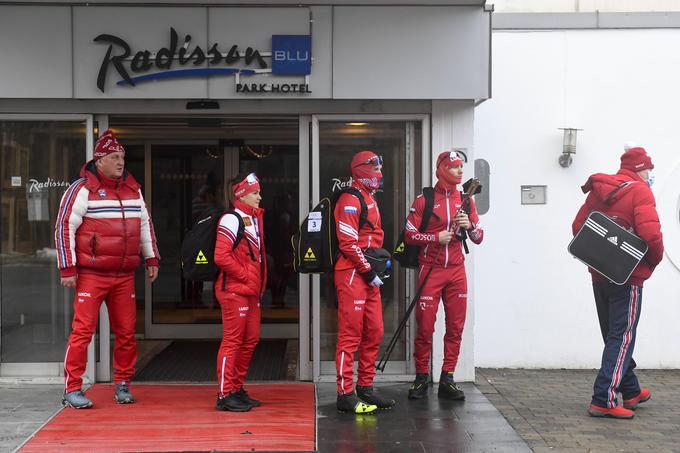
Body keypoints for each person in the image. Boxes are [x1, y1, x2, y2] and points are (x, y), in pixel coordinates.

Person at [56, 129, 160, 409]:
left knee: (126, 332)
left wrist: (152, 259)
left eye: (122, 157)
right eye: (114, 157)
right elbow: (64, 226)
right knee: (83, 331)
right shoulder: (81, 189)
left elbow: (144, 225)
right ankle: (72, 388)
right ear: (99, 160)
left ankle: (123, 383)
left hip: (124, 275)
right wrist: (67, 268)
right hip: (91, 274)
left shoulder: (133, 189)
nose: (120, 162)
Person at [572, 143, 663, 419]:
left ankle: (631, 390)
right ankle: (604, 398)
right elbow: (652, 235)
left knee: (613, 334)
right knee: (622, 337)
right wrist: (653, 261)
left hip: (600, 274)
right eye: (649, 169)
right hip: (628, 276)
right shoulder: (640, 191)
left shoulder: (601, 191)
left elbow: (578, 227)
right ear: (640, 169)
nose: (651, 174)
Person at [403, 150, 484, 400]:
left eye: (461, 167)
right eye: (455, 167)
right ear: (442, 170)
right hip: (431, 269)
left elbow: (479, 237)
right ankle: (420, 379)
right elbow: (408, 234)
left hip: (457, 271)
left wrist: (469, 226)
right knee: (425, 327)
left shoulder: (467, 200)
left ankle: (447, 378)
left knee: (456, 328)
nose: (460, 171)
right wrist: (435, 237)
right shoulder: (424, 199)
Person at [334, 150, 395, 414]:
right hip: (351, 272)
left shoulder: (370, 197)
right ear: (360, 170)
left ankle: (365, 388)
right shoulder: (350, 198)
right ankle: (345, 394)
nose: (380, 174)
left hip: (368, 273)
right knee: (350, 335)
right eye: (375, 169)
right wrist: (368, 270)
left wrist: (374, 269)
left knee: (375, 331)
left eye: (380, 169)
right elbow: (347, 242)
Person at [214, 172, 267, 412]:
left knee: (251, 339)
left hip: (250, 292)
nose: (259, 197)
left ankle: (236, 388)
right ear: (242, 195)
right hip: (235, 290)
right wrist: (246, 277)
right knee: (233, 341)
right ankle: (224, 395)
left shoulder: (252, 219)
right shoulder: (231, 219)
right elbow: (220, 256)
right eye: (255, 192)